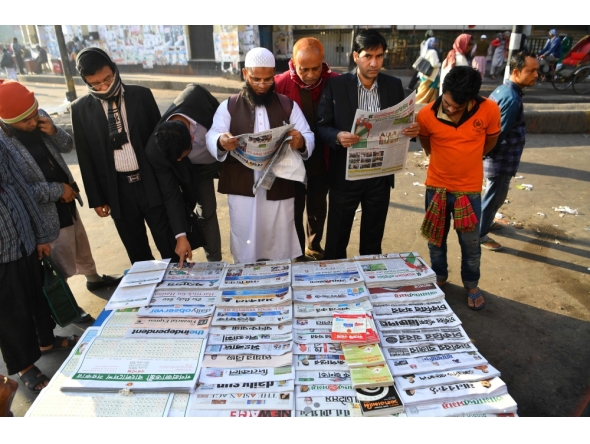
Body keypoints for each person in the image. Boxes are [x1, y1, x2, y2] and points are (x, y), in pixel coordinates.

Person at [0, 80, 122, 307]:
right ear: (10, 122)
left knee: (80, 243)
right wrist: (57, 191)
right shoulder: (4, 143)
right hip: (44, 208)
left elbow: (68, 146)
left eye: (34, 114)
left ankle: (93, 278)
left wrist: (55, 131)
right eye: (26, 120)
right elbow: (17, 190)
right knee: (60, 258)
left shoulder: (40, 117)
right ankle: (67, 305)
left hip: (68, 198)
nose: (33, 121)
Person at [317, 29, 420, 260]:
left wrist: (411, 131)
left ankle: (370, 277)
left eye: (380, 56)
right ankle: (335, 277)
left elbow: (402, 122)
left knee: (373, 236)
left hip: (379, 176)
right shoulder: (337, 86)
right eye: (368, 56)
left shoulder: (393, 85)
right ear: (356, 56)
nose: (374, 63)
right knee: (336, 237)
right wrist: (337, 136)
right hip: (346, 174)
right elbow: (321, 126)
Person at [206, 47, 314, 264]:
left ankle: (279, 276)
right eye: (256, 79)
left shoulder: (287, 105)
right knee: (246, 234)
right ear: (245, 74)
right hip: (243, 186)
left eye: (267, 79)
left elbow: (308, 135)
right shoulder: (230, 105)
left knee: (278, 237)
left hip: (279, 184)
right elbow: (213, 134)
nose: (262, 85)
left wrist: (300, 141)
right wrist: (221, 141)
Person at [71, 47, 177, 264]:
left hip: (150, 182)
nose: (104, 86)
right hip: (118, 189)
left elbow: (160, 142)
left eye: (107, 79)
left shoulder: (142, 96)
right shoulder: (80, 109)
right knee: (137, 252)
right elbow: (85, 157)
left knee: (169, 244)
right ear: (86, 82)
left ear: (114, 69)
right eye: (96, 84)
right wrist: (97, 199)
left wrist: (169, 183)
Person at [417, 66, 501, 311]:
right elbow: (425, 140)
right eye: (448, 103)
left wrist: (474, 157)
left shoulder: (489, 109)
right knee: (436, 241)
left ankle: (472, 285)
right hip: (436, 189)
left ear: (472, 100)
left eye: (458, 106)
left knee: (471, 244)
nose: (452, 109)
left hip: (469, 192)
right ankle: (439, 278)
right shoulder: (426, 115)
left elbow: (492, 139)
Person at [0, 134, 78, 392]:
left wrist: (39, 235)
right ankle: (24, 365)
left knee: (37, 294)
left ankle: (46, 340)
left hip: (23, 235)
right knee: (10, 309)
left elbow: (21, 187)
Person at [274, 37, 339, 260]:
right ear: (293, 63)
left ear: (323, 62)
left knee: (318, 207)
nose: (311, 75)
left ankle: (314, 244)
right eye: (304, 69)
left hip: (323, 157)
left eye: (315, 68)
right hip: (292, 158)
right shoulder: (280, 83)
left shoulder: (335, 81)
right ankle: (296, 250)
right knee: (293, 208)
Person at [146, 84, 223, 265]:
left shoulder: (196, 97)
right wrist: (181, 236)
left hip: (226, 154)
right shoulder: (154, 151)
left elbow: (227, 118)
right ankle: (215, 262)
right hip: (197, 169)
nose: (178, 161)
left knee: (243, 204)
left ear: (192, 138)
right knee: (207, 213)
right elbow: (170, 194)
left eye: (182, 156)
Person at [480, 51, 539, 251]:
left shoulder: (501, 90)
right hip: (500, 158)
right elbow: (498, 133)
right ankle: (480, 234)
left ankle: (485, 223)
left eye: (536, 71)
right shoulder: (511, 99)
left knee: (496, 194)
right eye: (531, 71)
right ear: (516, 71)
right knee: (494, 196)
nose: (536, 75)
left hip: (500, 157)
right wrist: (486, 153)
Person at [416, 37, 441, 104]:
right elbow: (434, 64)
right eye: (435, 43)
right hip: (431, 76)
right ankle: (419, 104)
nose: (436, 44)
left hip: (424, 75)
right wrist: (440, 64)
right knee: (428, 93)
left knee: (422, 91)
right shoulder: (433, 52)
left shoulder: (425, 51)